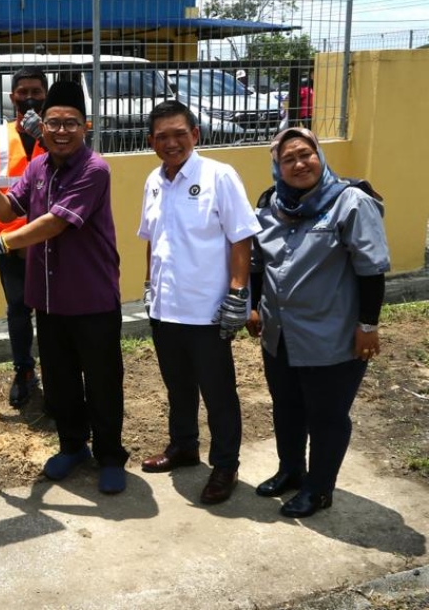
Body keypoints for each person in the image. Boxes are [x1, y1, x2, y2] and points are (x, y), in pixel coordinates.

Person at [0, 81, 130, 494]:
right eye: (54, 122)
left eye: (70, 123)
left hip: (91, 298)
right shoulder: (36, 168)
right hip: (49, 299)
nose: (60, 130)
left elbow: (54, 223)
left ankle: (110, 455)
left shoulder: (95, 170)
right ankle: (74, 447)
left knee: (102, 381)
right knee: (60, 382)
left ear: (85, 126)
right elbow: (8, 209)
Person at [248, 128, 389, 518]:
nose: (298, 164)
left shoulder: (350, 202)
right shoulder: (269, 203)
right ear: (277, 166)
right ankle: (291, 471)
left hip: (332, 335)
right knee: (287, 407)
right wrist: (255, 306)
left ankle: (319, 489)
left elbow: (371, 270)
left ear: (319, 156)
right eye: (288, 158)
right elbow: (259, 263)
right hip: (280, 334)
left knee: (326, 416)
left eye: (305, 154)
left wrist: (368, 325)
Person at [137, 100, 262, 505]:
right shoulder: (153, 181)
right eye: (162, 136)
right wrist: (147, 286)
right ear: (151, 142)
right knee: (178, 387)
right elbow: (153, 239)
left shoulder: (218, 176)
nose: (171, 143)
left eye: (179, 134)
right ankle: (184, 447)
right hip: (166, 308)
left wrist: (238, 292)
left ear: (195, 135)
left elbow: (241, 236)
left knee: (219, 393)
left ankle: (225, 465)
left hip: (208, 311)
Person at [0, 67, 47, 408]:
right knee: (18, 310)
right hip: (10, 243)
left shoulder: (62, 133)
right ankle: (24, 371)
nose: (30, 97)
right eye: (23, 91)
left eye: (36, 90)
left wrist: (47, 138)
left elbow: (83, 168)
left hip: (53, 244)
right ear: (12, 97)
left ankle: (57, 371)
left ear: (46, 94)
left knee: (53, 312)